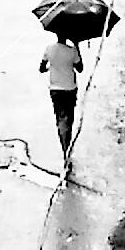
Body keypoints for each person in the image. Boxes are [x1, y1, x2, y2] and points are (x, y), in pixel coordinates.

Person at [40, 32, 83, 161]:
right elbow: (80, 68)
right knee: (69, 118)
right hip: (70, 88)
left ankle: (64, 147)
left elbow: (41, 68)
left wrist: (51, 67)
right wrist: (77, 46)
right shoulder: (72, 51)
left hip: (55, 89)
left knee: (60, 118)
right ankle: (67, 146)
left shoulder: (49, 49)